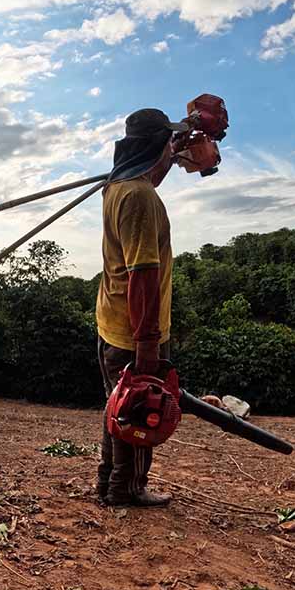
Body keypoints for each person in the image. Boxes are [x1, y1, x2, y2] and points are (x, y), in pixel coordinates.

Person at [95, 107, 220, 508]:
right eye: (167, 142)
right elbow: (144, 276)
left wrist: (173, 147)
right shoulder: (140, 198)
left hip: (113, 323)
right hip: (135, 331)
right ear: (156, 146)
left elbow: (150, 174)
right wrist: (147, 343)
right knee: (139, 412)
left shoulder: (117, 187)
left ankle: (110, 483)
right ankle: (127, 489)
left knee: (118, 410)